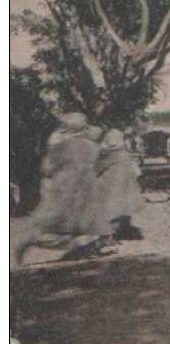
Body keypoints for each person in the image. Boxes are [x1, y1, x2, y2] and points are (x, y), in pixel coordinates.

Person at [15, 113, 105, 264]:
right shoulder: (92, 146)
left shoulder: (59, 144)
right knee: (77, 224)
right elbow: (98, 167)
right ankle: (78, 246)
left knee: (53, 223)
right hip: (85, 190)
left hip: (61, 189)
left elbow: (47, 168)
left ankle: (31, 242)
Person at [92, 128, 144, 242]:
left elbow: (96, 169)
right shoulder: (124, 153)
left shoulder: (108, 155)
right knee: (123, 209)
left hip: (109, 186)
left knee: (109, 210)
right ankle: (123, 231)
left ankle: (108, 236)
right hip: (126, 185)